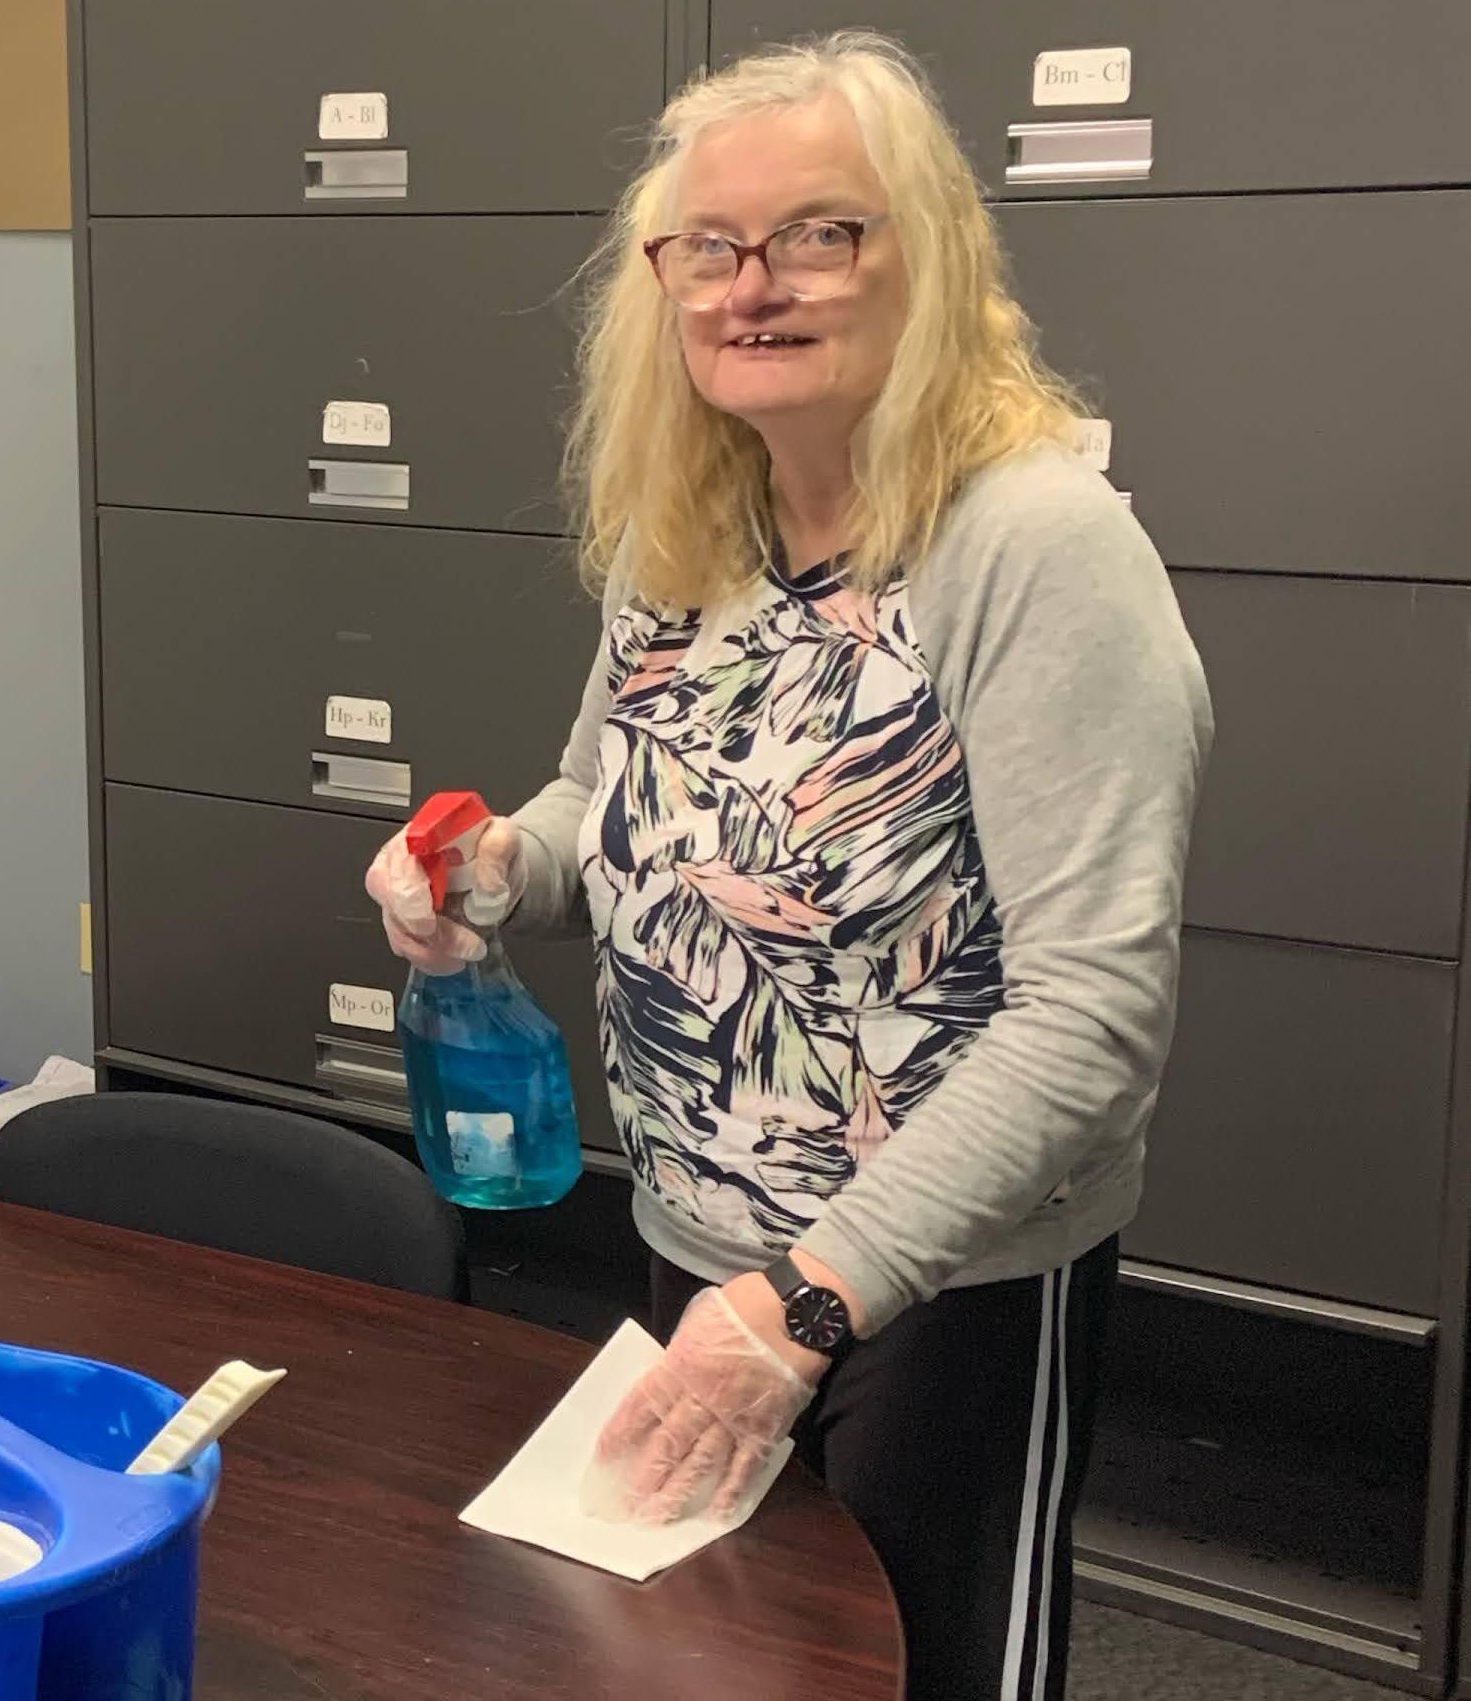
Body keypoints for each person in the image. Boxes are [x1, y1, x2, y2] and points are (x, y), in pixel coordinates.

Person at [365, 31, 1211, 1701]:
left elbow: (1090, 1012)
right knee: (728, 1664)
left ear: (929, 257)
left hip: (938, 1288)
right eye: (710, 249)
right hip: (701, 1241)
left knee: (925, 1669)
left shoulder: (1031, 550)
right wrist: (484, 867)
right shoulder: (691, 527)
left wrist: (812, 1304)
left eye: (820, 233)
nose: (755, 286)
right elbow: (605, 791)